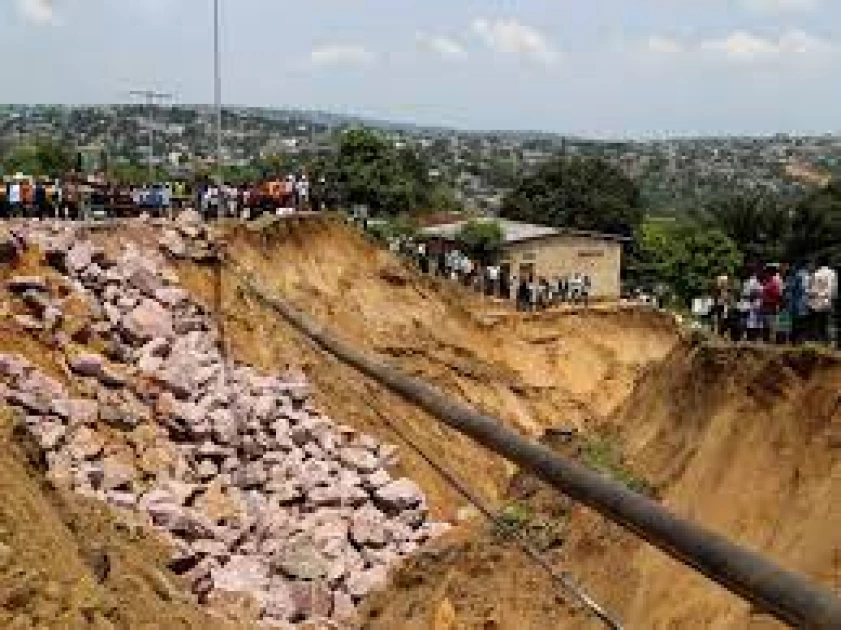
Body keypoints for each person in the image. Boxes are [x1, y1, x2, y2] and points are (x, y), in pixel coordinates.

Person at [809, 260, 837, 344]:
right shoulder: (832, 273)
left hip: (817, 301)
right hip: (828, 300)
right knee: (828, 322)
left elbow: (812, 289)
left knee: (818, 323)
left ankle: (820, 341)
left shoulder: (816, 273)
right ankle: (829, 340)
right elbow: (834, 289)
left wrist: (812, 296)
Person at [760, 265, 783, 344]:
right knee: (767, 325)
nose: (765, 273)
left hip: (771, 305)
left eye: (767, 272)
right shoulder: (769, 281)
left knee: (771, 325)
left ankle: (770, 341)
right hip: (767, 305)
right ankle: (767, 341)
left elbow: (778, 295)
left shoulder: (775, 282)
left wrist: (777, 304)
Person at [741, 268, 764, 342]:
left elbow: (758, 293)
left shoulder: (752, 282)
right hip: (751, 305)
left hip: (752, 305)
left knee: (752, 323)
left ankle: (751, 338)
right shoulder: (752, 282)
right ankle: (751, 338)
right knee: (751, 323)